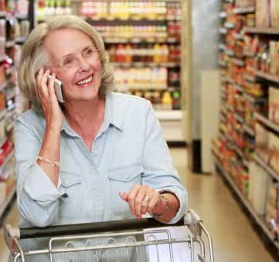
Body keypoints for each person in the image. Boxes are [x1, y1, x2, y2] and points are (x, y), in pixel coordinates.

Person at [14, 15, 188, 261]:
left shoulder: (138, 114)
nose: (85, 66)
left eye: (88, 52)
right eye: (69, 61)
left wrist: (158, 202)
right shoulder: (29, 128)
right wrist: (53, 124)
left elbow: (175, 201)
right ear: (44, 78)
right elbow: (36, 214)